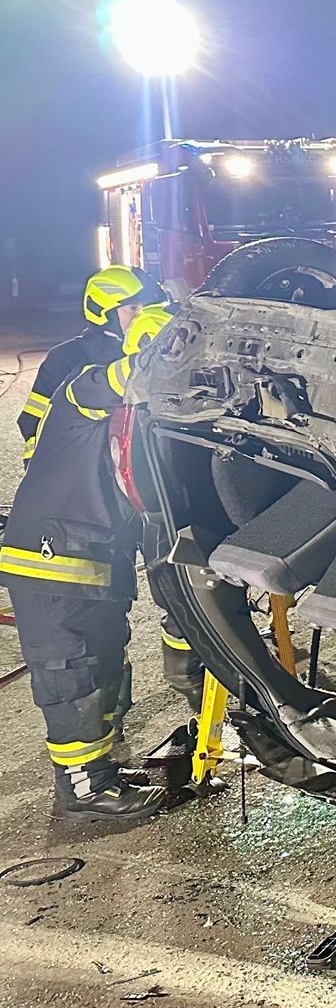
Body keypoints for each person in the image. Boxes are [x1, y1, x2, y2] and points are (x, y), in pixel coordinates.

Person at [0, 306, 175, 821]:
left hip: (95, 557)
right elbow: (108, 382)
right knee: (70, 672)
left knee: (101, 663)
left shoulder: (147, 417)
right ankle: (82, 788)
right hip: (52, 558)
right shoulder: (89, 389)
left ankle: (100, 771)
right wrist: (162, 359)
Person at [15, 264, 164, 466]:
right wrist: (44, 470)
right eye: (133, 308)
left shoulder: (153, 355)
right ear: (102, 311)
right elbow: (32, 422)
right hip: (83, 470)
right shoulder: (66, 358)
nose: (143, 316)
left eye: (149, 307)